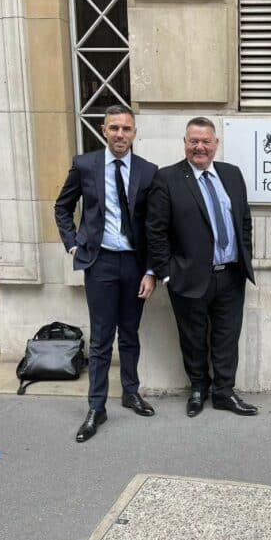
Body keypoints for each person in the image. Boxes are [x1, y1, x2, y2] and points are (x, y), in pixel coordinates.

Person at [54, 105, 158, 443]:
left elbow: (154, 226)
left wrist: (151, 270)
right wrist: (72, 244)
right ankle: (96, 407)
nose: (120, 134)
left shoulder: (147, 171)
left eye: (126, 129)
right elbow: (62, 206)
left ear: (134, 133)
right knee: (101, 339)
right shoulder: (85, 164)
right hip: (99, 263)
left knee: (130, 333)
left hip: (134, 264)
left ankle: (130, 392)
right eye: (114, 128)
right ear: (103, 130)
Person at [147, 117, 257, 417]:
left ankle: (224, 391)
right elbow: (156, 231)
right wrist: (167, 272)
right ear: (184, 143)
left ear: (215, 144)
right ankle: (198, 388)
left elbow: (243, 221)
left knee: (226, 336)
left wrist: (245, 255)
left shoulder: (231, 175)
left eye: (206, 141)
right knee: (193, 337)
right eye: (193, 141)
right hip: (189, 276)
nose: (200, 147)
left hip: (231, 275)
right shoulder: (167, 178)